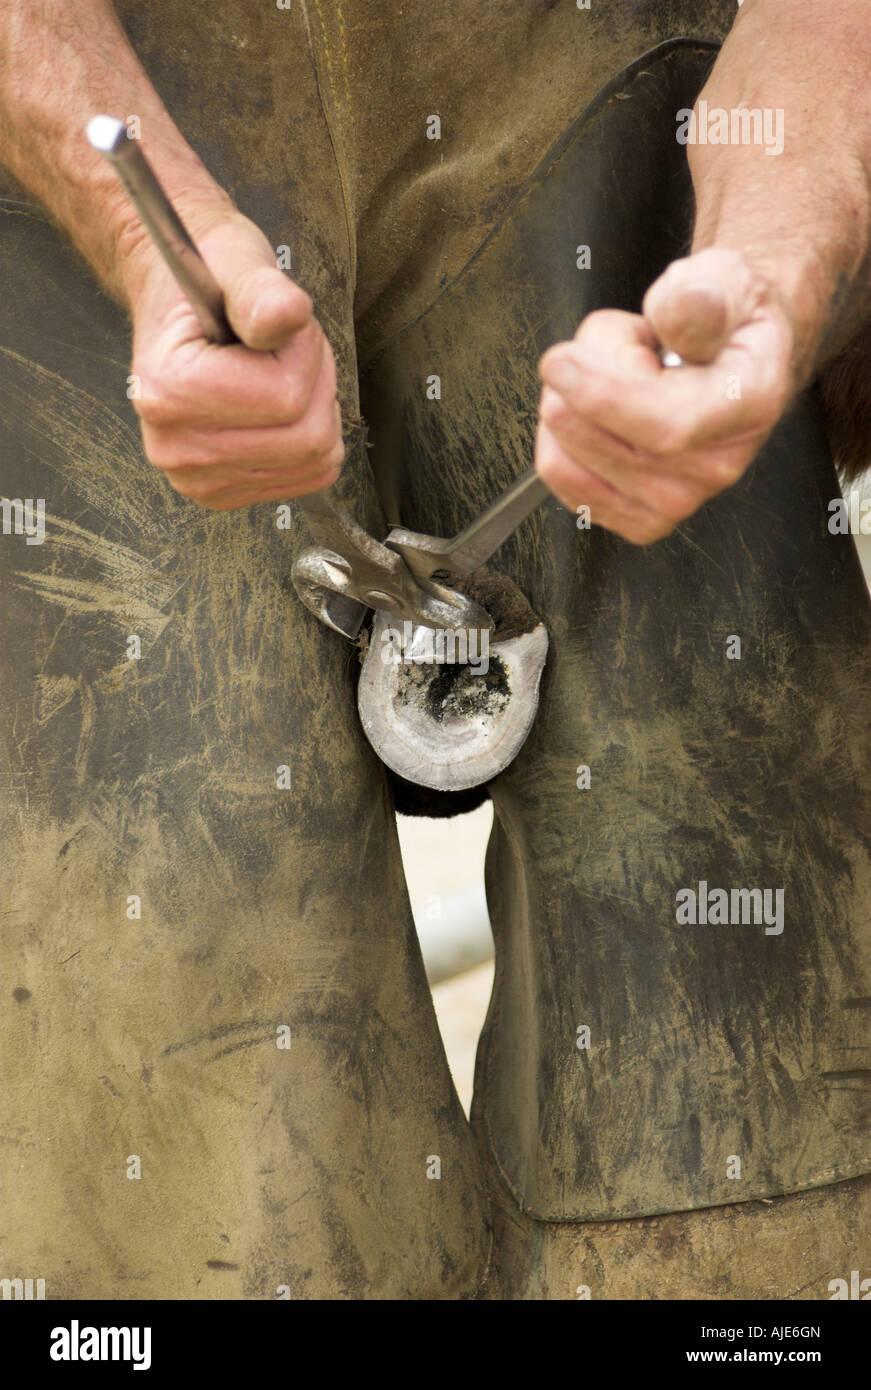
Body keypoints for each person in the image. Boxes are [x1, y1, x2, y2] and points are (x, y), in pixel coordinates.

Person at [1, 0, 869, 1300]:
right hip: (83, 150)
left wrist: (799, 212)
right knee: (192, 1137)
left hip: (634, 106)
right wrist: (126, 214)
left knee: (739, 1120)